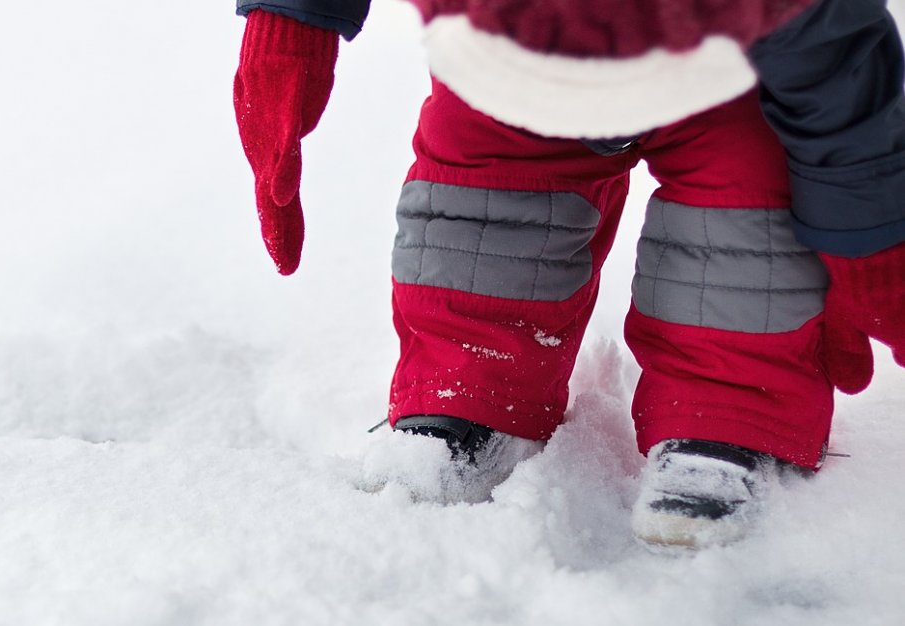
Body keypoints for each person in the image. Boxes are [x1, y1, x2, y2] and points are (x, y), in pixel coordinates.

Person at [232, 0, 905, 547]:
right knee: (480, 208)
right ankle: (468, 391)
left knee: (747, 219)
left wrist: (866, 241)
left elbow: (844, 82)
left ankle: (726, 414)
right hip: (506, 66)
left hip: (725, 79)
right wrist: (289, 27)